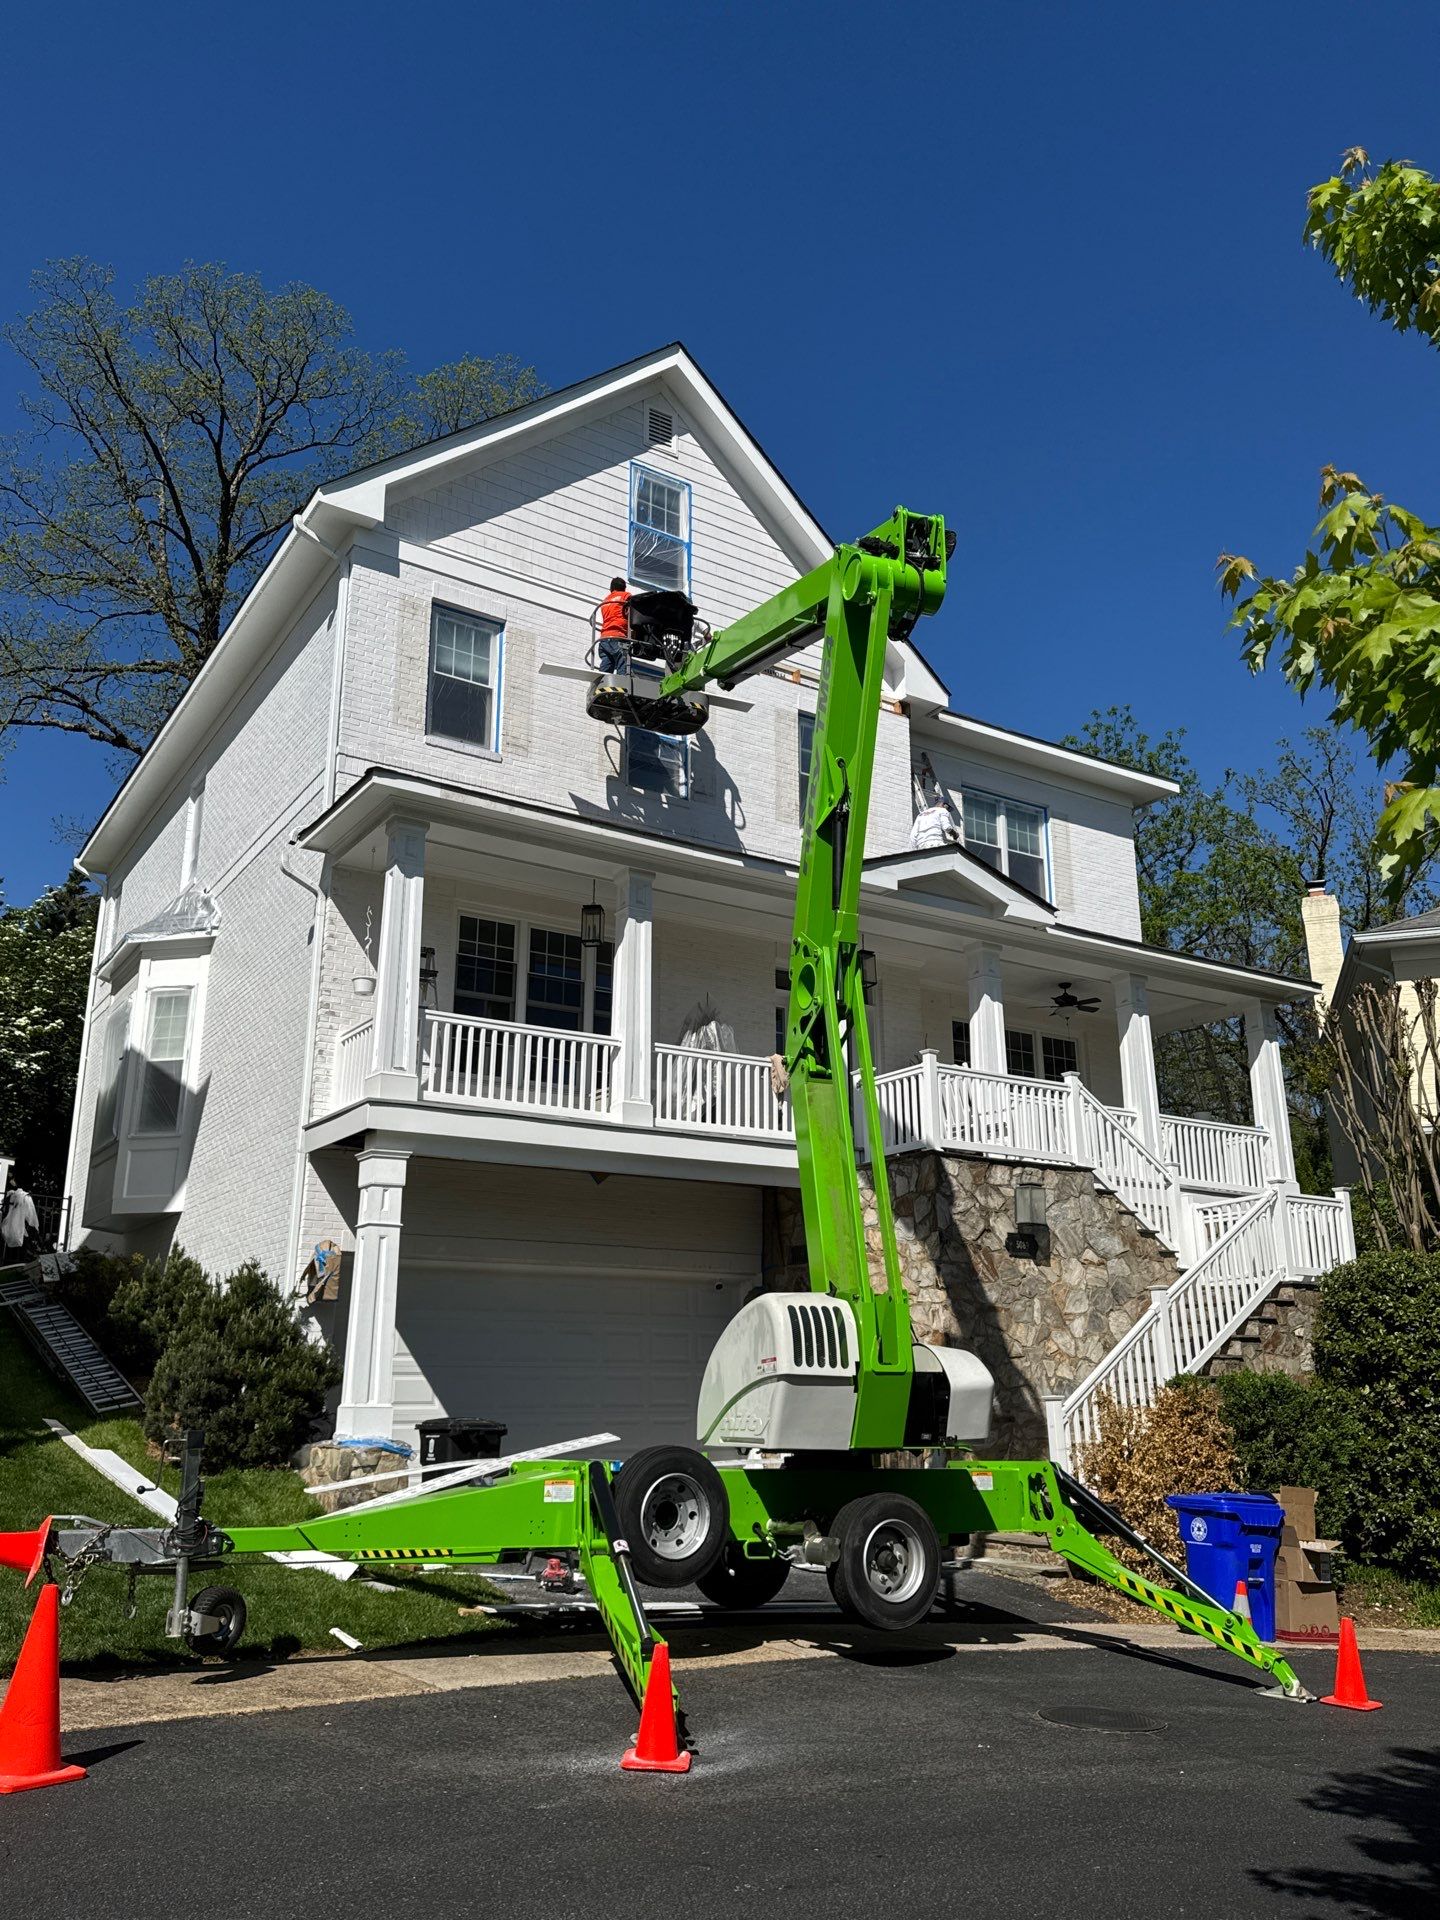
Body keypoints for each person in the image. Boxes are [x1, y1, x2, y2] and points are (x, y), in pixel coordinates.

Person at [597, 576, 631, 674]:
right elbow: (632, 612)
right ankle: (622, 683)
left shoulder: (605, 601)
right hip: (618, 635)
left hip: (604, 638)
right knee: (623, 662)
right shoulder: (625, 596)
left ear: (611, 588)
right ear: (624, 588)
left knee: (606, 665)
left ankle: (600, 681)